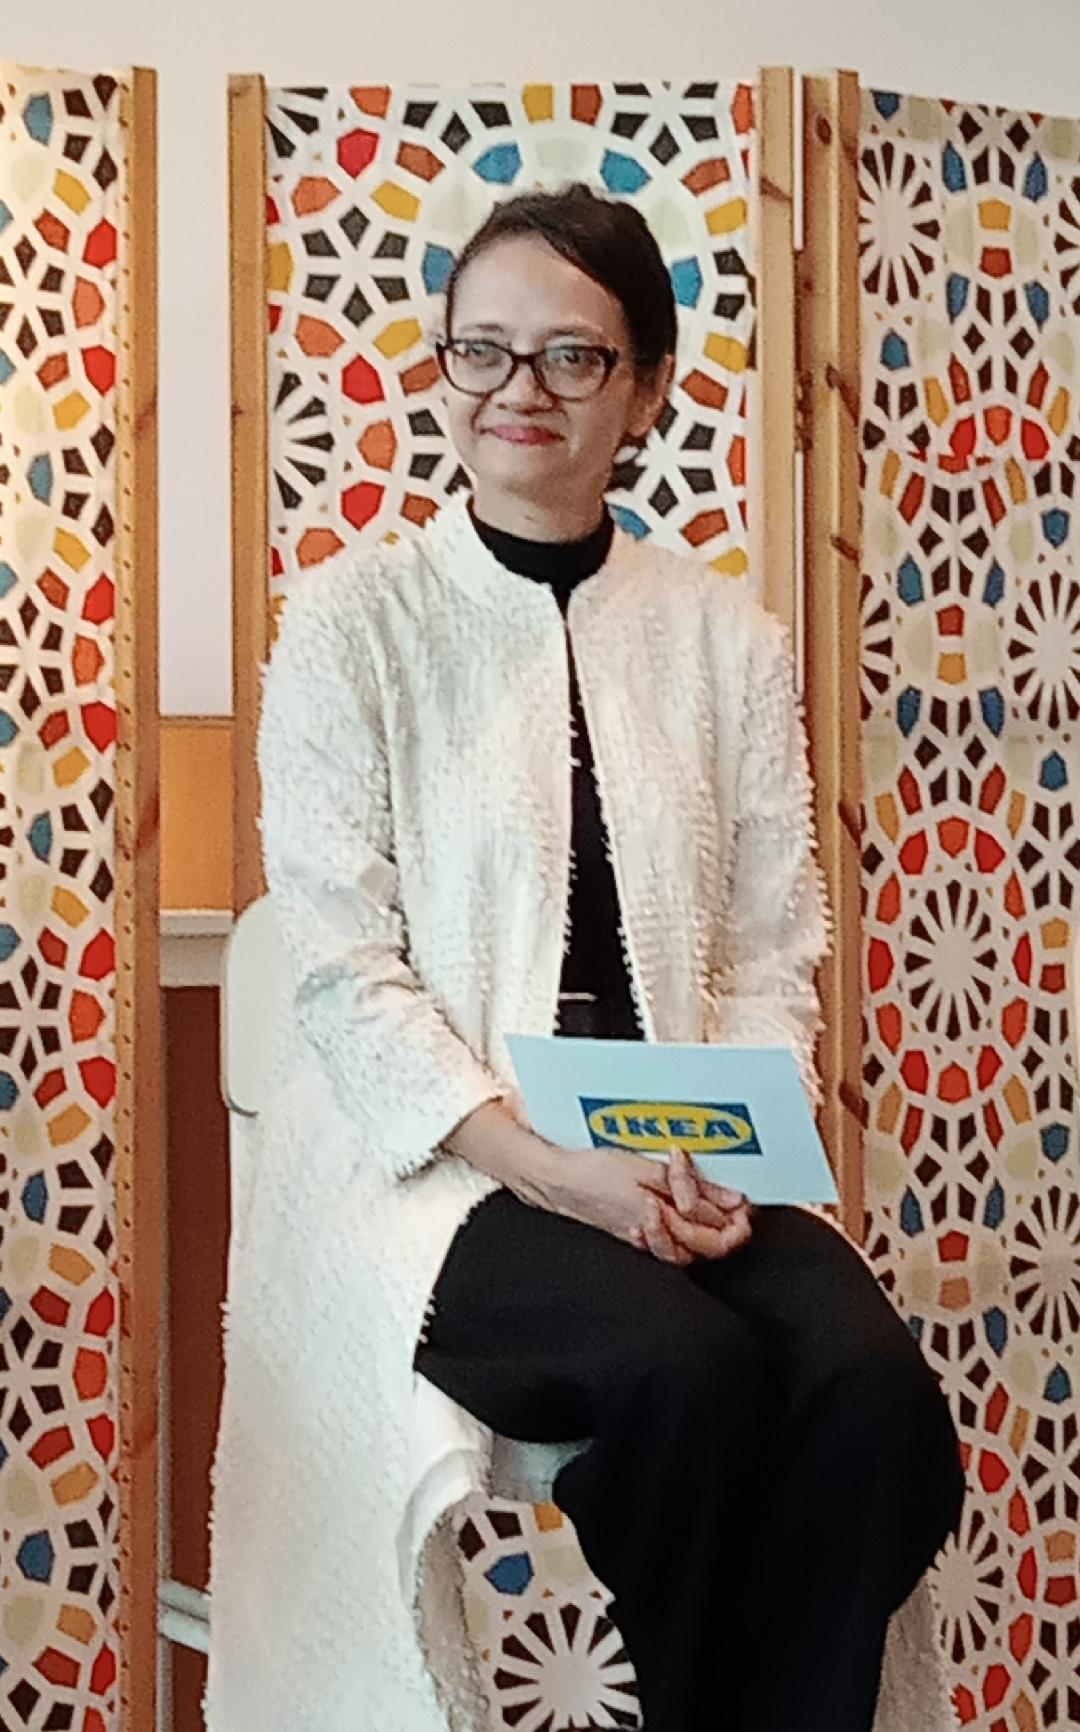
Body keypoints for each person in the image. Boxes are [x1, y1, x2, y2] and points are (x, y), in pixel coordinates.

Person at [207, 184, 964, 1732]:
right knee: (686, 1376)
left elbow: (770, 952)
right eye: (479, 351)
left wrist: (711, 1157)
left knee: (878, 1399)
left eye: (570, 356)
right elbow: (345, 971)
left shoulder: (726, 638)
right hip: (435, 1170)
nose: (518, 392)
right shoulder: (353, 624)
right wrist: (555, 1171)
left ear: (646, 389)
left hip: (680, 1158)